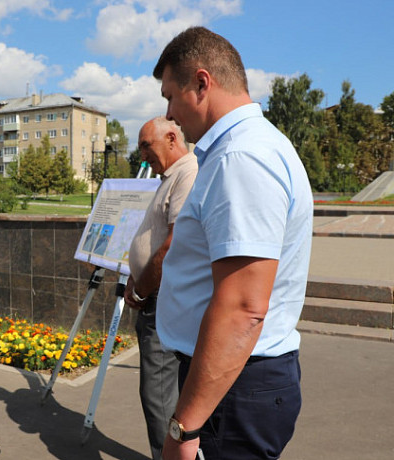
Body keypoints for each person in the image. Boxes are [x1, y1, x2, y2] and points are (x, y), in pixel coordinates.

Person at [151, 27, 313, 460]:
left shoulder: (241, 157)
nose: (169, 113)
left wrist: (184, 429)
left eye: (170, 96)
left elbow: (243, 308)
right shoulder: (247, 148)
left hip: (233, 388)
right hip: (233, 380)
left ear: (202, 83)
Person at [124, 117, 197, 460]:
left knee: (159, 395)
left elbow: (173, 244)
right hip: (153, 297)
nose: (142, 157)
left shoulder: (187, 172)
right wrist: (134, 275)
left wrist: (141, 290)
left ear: (171, 138)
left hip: (161, 302)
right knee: (158, 394)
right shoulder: (169, 176)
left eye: (146, 146)